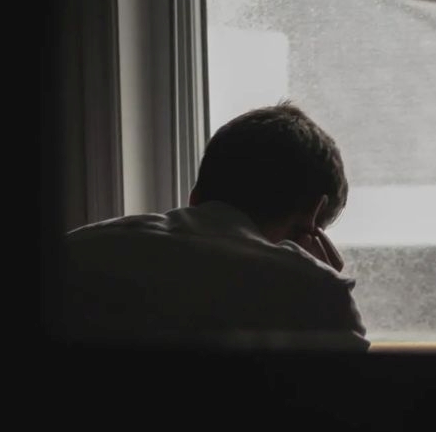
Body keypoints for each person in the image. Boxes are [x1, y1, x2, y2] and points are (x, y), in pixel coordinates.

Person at [54, 101, 368, 351]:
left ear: (195, 197)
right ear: (312, 219)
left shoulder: (74, 252)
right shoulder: (315, 298)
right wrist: (322, 278)